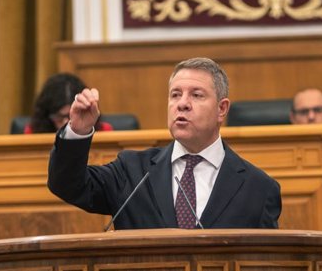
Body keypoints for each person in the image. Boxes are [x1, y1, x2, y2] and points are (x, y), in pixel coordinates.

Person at [47, 57, 281, 230]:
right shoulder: (132, 171)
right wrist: (78, 130)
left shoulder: (258, 188)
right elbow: (67, 185)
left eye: (197, 95)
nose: (183, 104)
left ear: (222, 109)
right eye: (175, 94)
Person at [25, 73, 113, 133]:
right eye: (59, 117)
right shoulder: (33, 133)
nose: (65, 122)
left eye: (70, 116)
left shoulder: (103, 131)